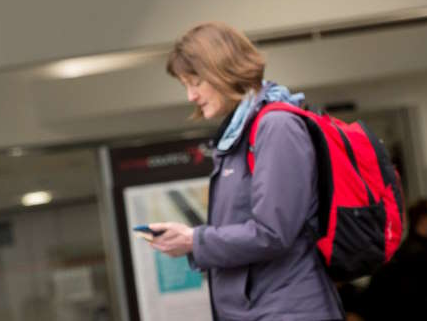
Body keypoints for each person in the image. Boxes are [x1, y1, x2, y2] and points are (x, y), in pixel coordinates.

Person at [145, 22, 342, 321]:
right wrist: (193, 241)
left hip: (287, 310)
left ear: (221, 70)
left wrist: (193, 240)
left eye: (195, 82)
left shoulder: (275, 127)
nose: (190, 97)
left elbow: (273, 233)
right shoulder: (240, 134)